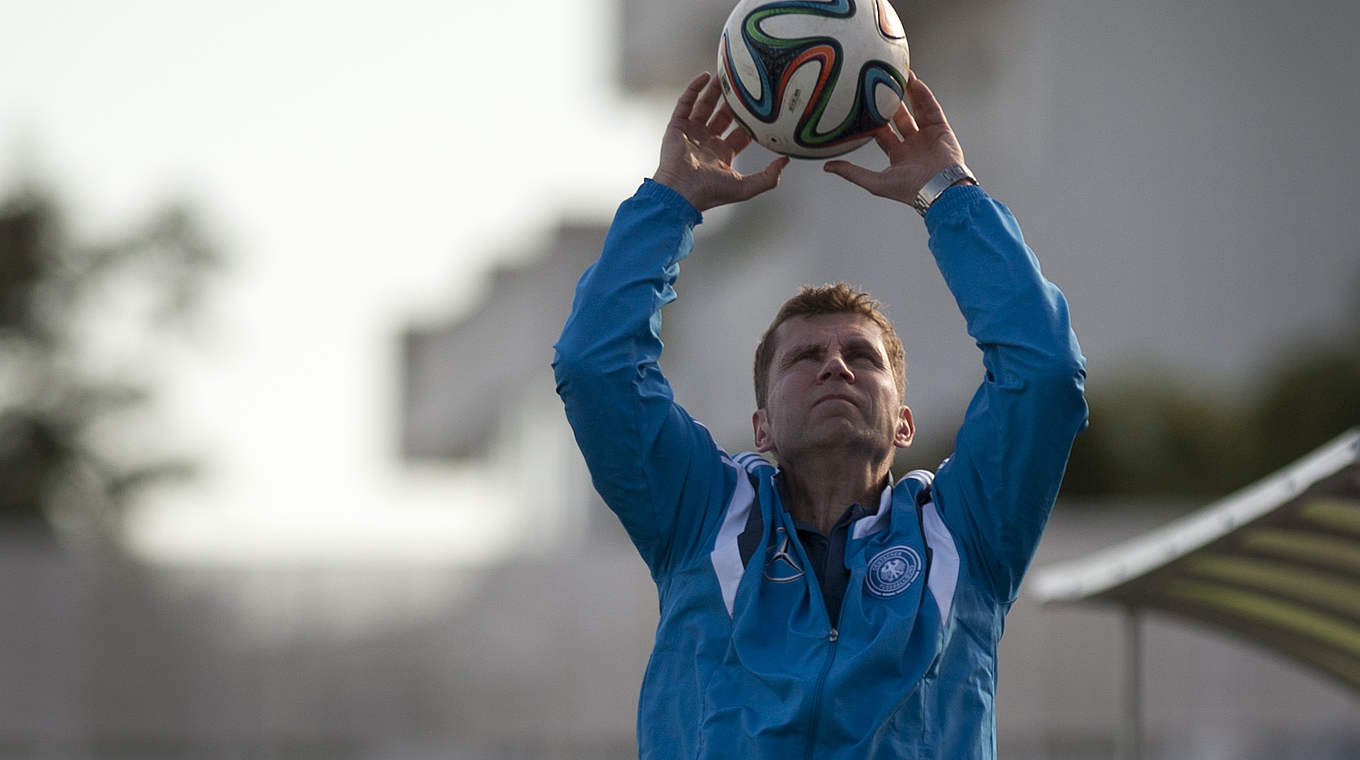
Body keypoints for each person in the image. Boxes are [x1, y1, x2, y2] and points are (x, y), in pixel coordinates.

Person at [553, 70, 1088, 759]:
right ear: (761, 427)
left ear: (904, 423)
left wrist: (950, 197)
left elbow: (1044, 372)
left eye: (862, 359)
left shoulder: (968, 530)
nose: (835, 366)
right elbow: (594, 368)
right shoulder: (698, 514)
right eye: (805, 358)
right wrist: (670, 204)